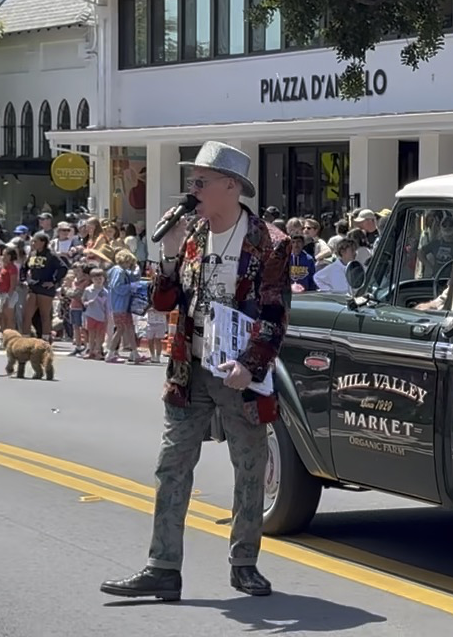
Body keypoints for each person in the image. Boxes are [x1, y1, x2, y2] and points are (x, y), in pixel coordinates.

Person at [101, 140, 290, 601]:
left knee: (250, 466)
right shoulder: (189, 237)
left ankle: (244, 561)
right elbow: (165, 302)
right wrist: (166, 257)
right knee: (172, 465)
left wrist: (250, 366)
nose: (193, 188)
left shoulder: (268, 243)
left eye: (201, 181)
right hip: (190, 368)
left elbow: (275, 313)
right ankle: (162, 566)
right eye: (192, 180)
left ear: (230, 187)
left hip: (239, 373)